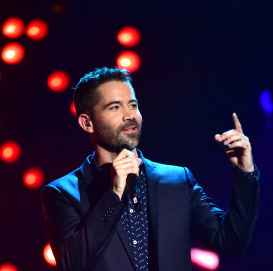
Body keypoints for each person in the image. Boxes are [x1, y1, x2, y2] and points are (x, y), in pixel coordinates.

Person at [41, 67, 259, 271]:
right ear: (87, 123)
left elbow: (231, 240)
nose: (130, 115)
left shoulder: (176, 180)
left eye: (133, 105)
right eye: (115, 107)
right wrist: (113, 195)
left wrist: (245, 173)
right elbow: (72, 264)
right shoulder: (63, 193)